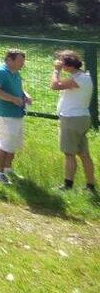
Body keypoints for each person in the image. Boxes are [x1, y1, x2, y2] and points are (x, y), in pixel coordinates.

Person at [50, 50, 95, 193]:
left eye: (62, 63)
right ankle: (90, 186)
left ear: (69, 65)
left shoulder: (78, 79)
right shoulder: (83, 77)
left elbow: (54, 85)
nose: (60, 65)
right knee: (84, 154)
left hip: (71, 119)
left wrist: (56, 70)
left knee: (69, 153)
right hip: (82, 118)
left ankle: (67, 186)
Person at [0, 49, 32, 184]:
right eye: (20, 61)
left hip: (17, 112)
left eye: (23, 61)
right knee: (5, 144)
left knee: (13, 143)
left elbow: (18, 89)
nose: (23, 63)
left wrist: (25, 95)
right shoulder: (0, 71)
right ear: (9, 60)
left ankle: (8, 169)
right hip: (6, 114)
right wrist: (13, 99)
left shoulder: (15, 72)